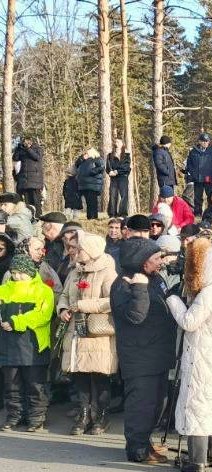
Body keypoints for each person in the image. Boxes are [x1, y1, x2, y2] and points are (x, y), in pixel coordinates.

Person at [165, 243, 212, 472]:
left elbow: (189, 322)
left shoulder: (209, 293)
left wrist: (173, 301)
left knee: (197, 403)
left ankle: (196, 460)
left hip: (201, 354)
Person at [110, 237, 177, 463]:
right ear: (141, 260)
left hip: (156, 354)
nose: (161, 261)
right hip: (139, 357)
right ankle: (137, 450)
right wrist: (139, 287)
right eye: (156, 258)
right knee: (141, 405)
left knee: (156, 403)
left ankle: (145, 440)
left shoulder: (154, 278)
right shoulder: (124, 284)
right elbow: (136, 316)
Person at [57, 232, 118, 435]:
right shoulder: (75, 271)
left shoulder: (107, 272)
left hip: (97, 334)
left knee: (99, 377)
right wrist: (63, 309)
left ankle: (100, 416)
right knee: (81, 376)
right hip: (77, 331)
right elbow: (65, 295)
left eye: (79, 249)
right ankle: (83, 416)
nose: (74, 252)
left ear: (90, 251)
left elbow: (113, 300)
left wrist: (83, 305)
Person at [0, 254, 54, 432]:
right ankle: (15, 416)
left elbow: (43, 316)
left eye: (21, 273)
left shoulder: (43, 290)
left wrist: (16, 322)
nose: (17, 277)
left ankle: (36, 417)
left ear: (30, 272)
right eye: (14, 273)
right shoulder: (4, 289)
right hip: (8, 344)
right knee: (12, 385)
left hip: (33, 344)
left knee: (35, 384)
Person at [183, 133, 212, 215]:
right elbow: (189, 165)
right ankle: (197, 213)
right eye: (203, 141)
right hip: (198, 179)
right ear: (199, 141)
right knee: (197, 198)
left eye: (207, 141)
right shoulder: (193, 151)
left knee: (211, 197)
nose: (205, 143)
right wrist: (191, 175)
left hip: (209, 179)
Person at [12, 135, 44, 216]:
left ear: (31, 141)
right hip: (24, 180)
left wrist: (28, 148)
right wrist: (18, 148)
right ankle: (30, 216)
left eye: (28, 141)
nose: (26, 143)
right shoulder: (21, 150)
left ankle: (37, 216)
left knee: (36, 201)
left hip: (35, 180)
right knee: (27, 202)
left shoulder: (37, 148)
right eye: (24, 141)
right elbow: (15, 158)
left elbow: (36, 157)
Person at [74, 148, 105, 220]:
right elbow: (76, 164)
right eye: (86, 153)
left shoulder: (97, 159)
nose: (86, 154)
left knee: (92, 201)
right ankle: (90, 217)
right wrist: (82, 158)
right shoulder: (83, 160)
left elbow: (101, 168)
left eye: (88, 153)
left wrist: (92, 171)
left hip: (93, 183)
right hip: (83, 184)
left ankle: (93, 217)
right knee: (88, 202)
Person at [106, 139, 132, 217]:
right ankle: (112, 214)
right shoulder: (110, 155)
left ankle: (123, 214)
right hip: (113, 178)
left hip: (123, 177)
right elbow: (108, 166)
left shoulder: (126, 155)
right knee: (113, 195)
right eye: (115, 142)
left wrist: (117, 171)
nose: (116, 143)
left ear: (122, 144)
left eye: (118, 142)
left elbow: (126, 167)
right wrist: (110, 172)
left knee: (124, 196)